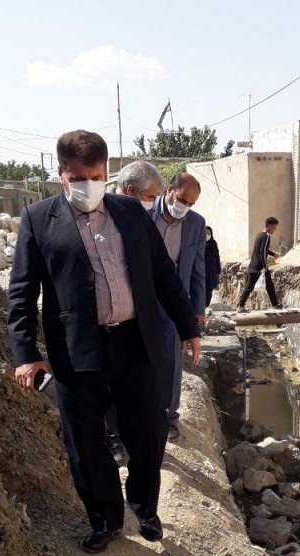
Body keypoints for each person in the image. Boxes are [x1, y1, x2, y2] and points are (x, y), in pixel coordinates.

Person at [7, 130, 200, 554]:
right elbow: (21, 293)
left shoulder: (129, 211)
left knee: (149, 431)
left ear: (106, 172)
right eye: (79, 177)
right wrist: (26, 354)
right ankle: (106, 519)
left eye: (96, 176)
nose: (88, 185)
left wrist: (188, 326)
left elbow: (162, 273)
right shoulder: (38, 219)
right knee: (86, 442)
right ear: (61, 173)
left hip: (135, 341)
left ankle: (144, 508)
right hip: (77, 350)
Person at [101, 160, 166, 463]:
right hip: (97, 331)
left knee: (138, 395)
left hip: (136, 327)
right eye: (151, 196)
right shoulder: (91, 218)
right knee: (105, 393)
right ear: (131, 191)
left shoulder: (142, 219)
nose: (154, 203)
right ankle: (112, 439)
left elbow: (163, 272)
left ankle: (134, 442)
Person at [151, 172, 206, 443]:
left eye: (192, 204)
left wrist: (198, 308)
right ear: (170, 190)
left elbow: (198, 267)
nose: (186, 207)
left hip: (174, 299)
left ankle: (169, 417)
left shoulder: (196, 223)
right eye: (183, 200)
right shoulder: (143, 213)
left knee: (172, 358)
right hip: (142, 298)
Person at [237, 216, 282, 311]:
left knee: (265, 286)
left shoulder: (259, 235)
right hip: (259, 267)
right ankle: (241, 306)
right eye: (275, 227)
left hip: (253, 265)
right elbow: (262, 251)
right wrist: (265, 267)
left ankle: (241, 306)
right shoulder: (266, 236)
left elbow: (262, 249)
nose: (275, 229)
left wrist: (273, 254)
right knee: (254, 286)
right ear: (270, 226)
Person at [204, 226, 221, 310]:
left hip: (211, 270)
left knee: (209, 289)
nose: (207, 235)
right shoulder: (199, 243)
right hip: (202, 270)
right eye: (205, 233)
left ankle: (206, 306)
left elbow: (217, 256)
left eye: (209, 233)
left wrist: (218, 270)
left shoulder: (213, 243)